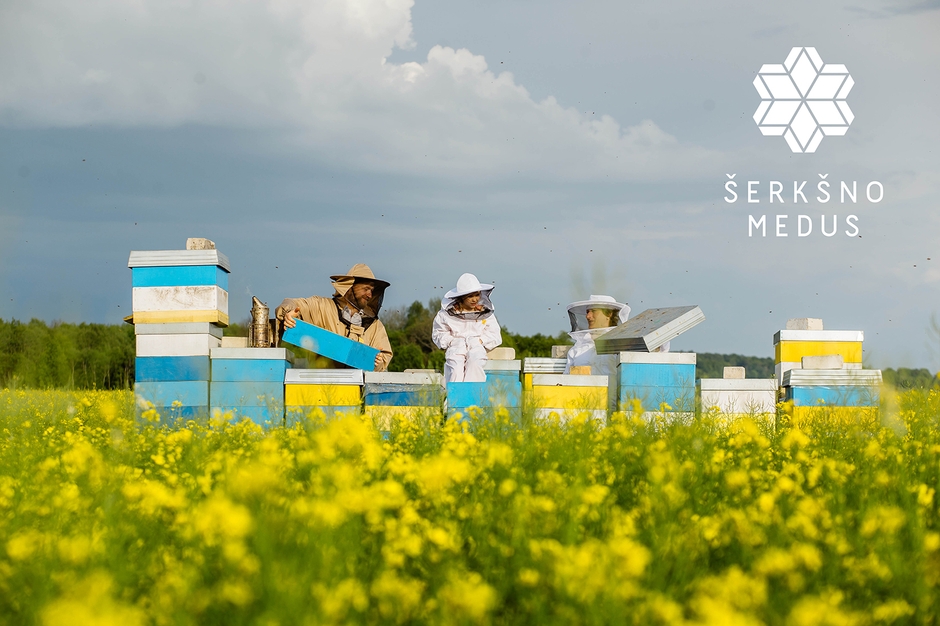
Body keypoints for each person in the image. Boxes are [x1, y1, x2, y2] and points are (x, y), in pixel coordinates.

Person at [275, 264, 393, 371]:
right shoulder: (321, 307)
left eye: (371, 290)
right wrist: (289, 313)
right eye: (366, 289)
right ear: (350, 286)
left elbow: (384, 359)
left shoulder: (375, 326)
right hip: (319, 385)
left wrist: (378, 362)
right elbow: (291, 303)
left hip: (358, 390)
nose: (369, 295)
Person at [432, 273, 502, 383]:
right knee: (455, 370)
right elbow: (438, 333)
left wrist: (480, 341)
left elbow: (494, 334)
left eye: (477, 295)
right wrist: (452, 341)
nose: (475, 299)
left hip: (476, 349)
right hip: (455, 349)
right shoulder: (445, 314)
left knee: (475, 364)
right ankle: (454, 398)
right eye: (470, 296)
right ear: (461, 297)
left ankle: (473, 398)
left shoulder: (485, 313)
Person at [564, 294, 631, 378]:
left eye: (594, 311)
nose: (588, 316)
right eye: (587, 311)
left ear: (609, 314)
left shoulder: (621, 345)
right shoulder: (576, 349)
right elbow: (566, 380)